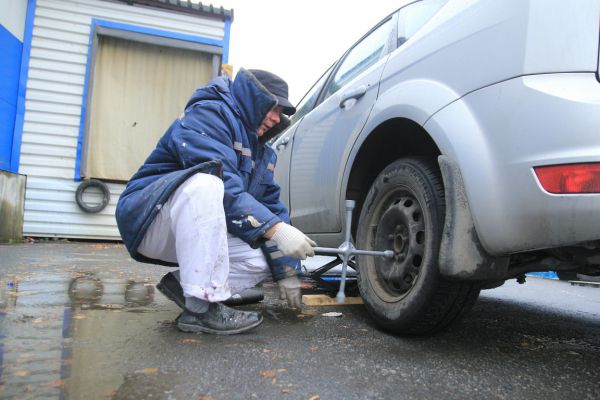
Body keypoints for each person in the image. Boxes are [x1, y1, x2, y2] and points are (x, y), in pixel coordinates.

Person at [115, 68, 316, 335]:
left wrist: (287, 272)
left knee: (260, 258)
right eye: (275, 109)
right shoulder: (210, 114)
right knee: (208, 182)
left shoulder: (263, 153)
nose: (277, 119)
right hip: (150, 216)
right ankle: (201, 309)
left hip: (191, 227)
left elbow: (271, 208)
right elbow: (227, 192)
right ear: (257, 99)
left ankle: (184, 286)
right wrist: (278, 230)